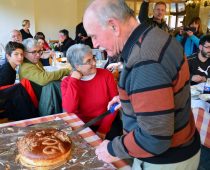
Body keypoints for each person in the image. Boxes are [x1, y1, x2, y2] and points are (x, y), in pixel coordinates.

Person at [83, 0, 201, 169]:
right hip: (183, 147)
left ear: (114, 26)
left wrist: (112, 148)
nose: (94, 44)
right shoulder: (154, 35)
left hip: (166, 161)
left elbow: (154, 139)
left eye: (94, 36)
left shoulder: (145, 60)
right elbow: (165, 89)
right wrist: (132, 99)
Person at [61, 44, 122, 140]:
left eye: (93, 58)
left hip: (107, 122)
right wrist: (74, 81)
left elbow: (114, 105)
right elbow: (70, 109)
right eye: (88, 61)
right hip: (82, 126)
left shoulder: (106, 75)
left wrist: (103, 130)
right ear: (77, 66)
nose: (94, 63)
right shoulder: (67, 82)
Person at [0, 41, 38, 121]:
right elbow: (4, 92)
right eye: (16, 54)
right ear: (8, 56)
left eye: (21, 54)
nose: (20, 57)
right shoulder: (7, 70)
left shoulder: (11, 68)